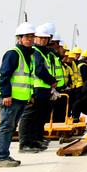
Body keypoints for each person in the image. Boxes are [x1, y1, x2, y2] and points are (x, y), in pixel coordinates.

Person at [0, 24, 41, 167]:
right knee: (6, 127)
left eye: (32, 36)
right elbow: (4, 76)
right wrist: (6, 95)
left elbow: (28, 78)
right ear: (19, 38)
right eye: (27, 37)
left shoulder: (29, 55)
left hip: (21, 98)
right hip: (10, 98)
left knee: (11, 127)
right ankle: (0, 158)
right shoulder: (13, 54)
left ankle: (4, 155)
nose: (30, 39)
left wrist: (30, 95)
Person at [19, 23, 62, 153]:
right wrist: (52, 81)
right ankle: (25, 143)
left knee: (39, 116)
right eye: (40, 38)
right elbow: (39, 70)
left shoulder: (44, 53)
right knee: (29, 116)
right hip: (37, 88)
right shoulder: (36, 52)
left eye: (45, 38)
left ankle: (35, 140)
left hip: (44, 89)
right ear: (35, 38)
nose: (43, 40)